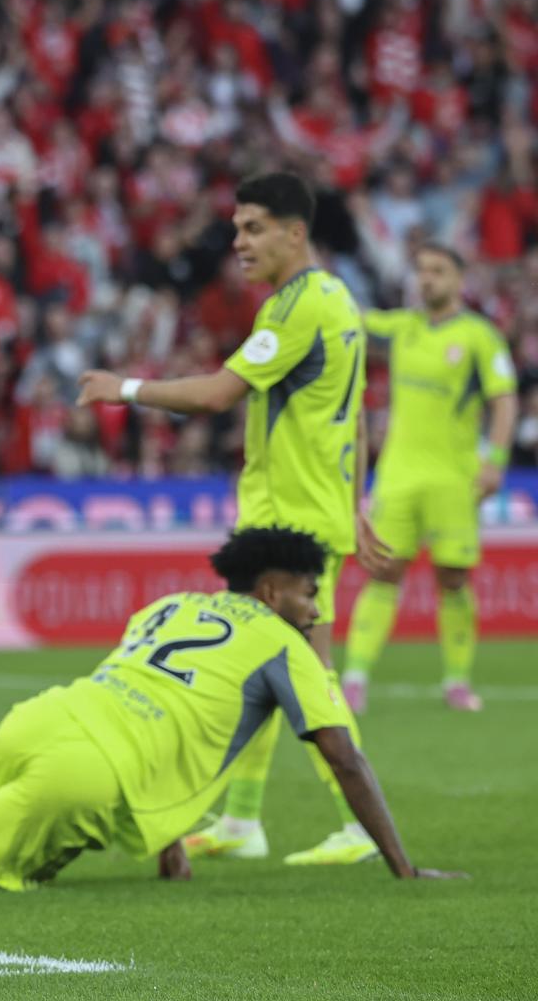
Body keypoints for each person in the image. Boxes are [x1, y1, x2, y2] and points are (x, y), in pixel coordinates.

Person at [0, 528, 464, 900]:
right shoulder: (284, 643)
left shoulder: (172, 605)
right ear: (272, 592)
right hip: (96, 769)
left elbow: (175, 708)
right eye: (308, 593)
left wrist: (169, 840)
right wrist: (402, 865)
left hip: (41, 716)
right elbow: (343, 754)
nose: (316, 608)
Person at [77, 171, 388, 867]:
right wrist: (357, 501)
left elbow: (218, 394)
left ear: (294, 232)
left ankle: (358, 824)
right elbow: (356, 412)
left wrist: (121, 387)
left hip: (292, 528)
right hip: (306, 513)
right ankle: (244, 819)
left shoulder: (296, 307)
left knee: (310, 674)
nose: (238, 241)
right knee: (259, 668)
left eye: (253, 228)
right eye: (236, 227)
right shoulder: (341, 298)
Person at [344, 244, 518, 713]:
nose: (426, 279)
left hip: (453, 479)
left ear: (460, 280)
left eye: (438, 271)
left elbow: (504, 398)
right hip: (398, 476)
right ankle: (355, 678)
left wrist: (495, 459)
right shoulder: (403, 326)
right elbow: (352, 316)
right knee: (382, 571)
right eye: (421, 271)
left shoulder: (481, 337)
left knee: (454, 578)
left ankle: (457, 681)